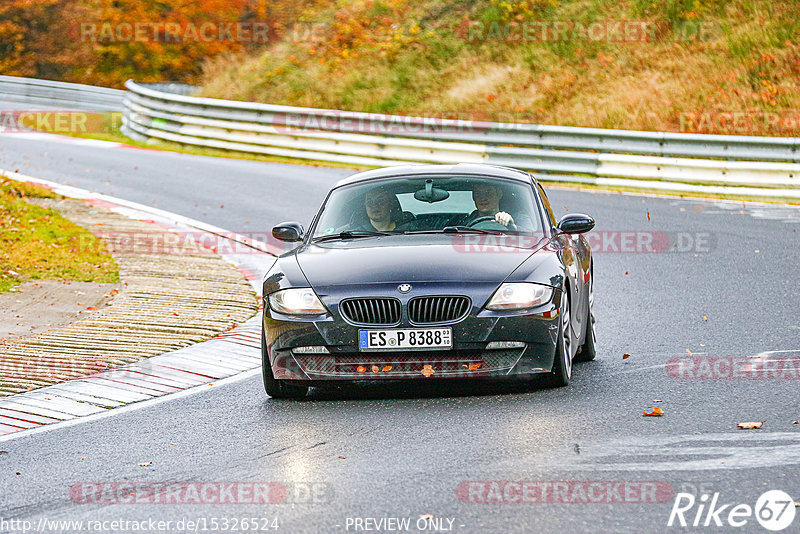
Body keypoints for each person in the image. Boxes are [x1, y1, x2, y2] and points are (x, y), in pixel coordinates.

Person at [452, 182, 532, 230]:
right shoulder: (463, 222)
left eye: (488, 192)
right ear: (473, 197)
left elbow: (532, 238)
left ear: (499, 194)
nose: (483, 198)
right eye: (478, 193)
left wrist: (512, 226)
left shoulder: (519, 218)